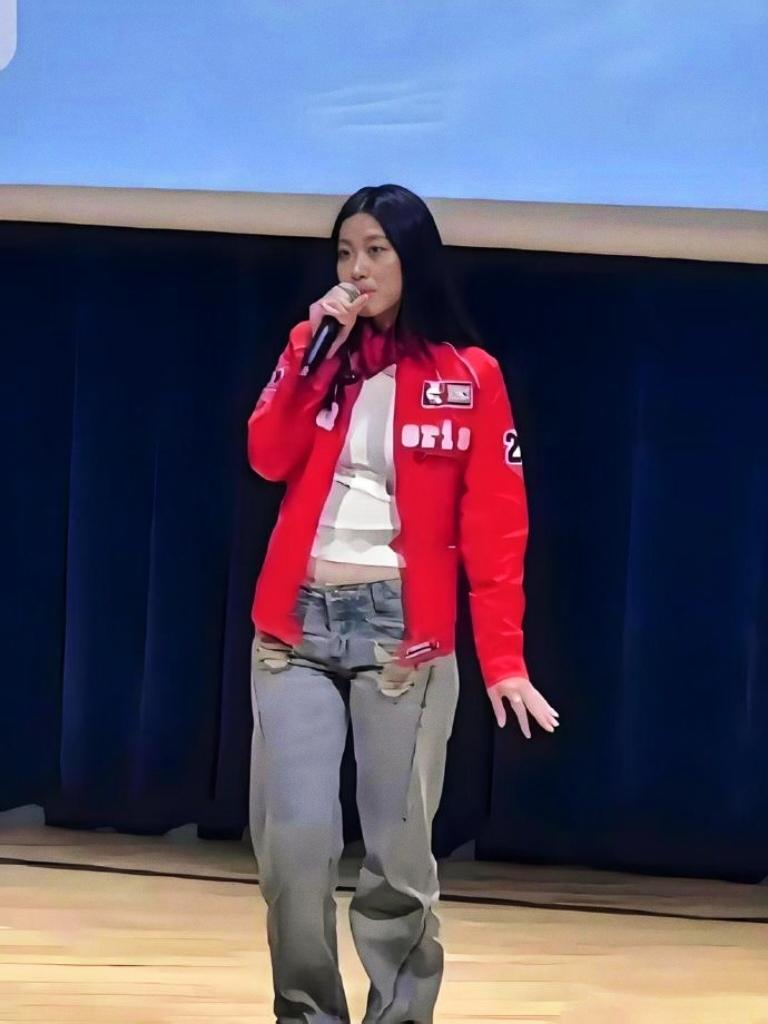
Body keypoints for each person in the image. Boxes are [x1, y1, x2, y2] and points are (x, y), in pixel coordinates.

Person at [246, 183, 560, 1024]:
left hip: (403, 638)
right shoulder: (313, 348)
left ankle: (401, 1014)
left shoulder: (468, 375)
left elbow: (497, 525)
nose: (357, 269)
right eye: (345, 253)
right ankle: (306, 1014)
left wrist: (504, 660)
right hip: (295, 629)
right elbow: (267, 455)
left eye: (376, 251)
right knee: (295, 847)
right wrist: (312, 357)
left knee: (397, 857)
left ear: (412, 258)